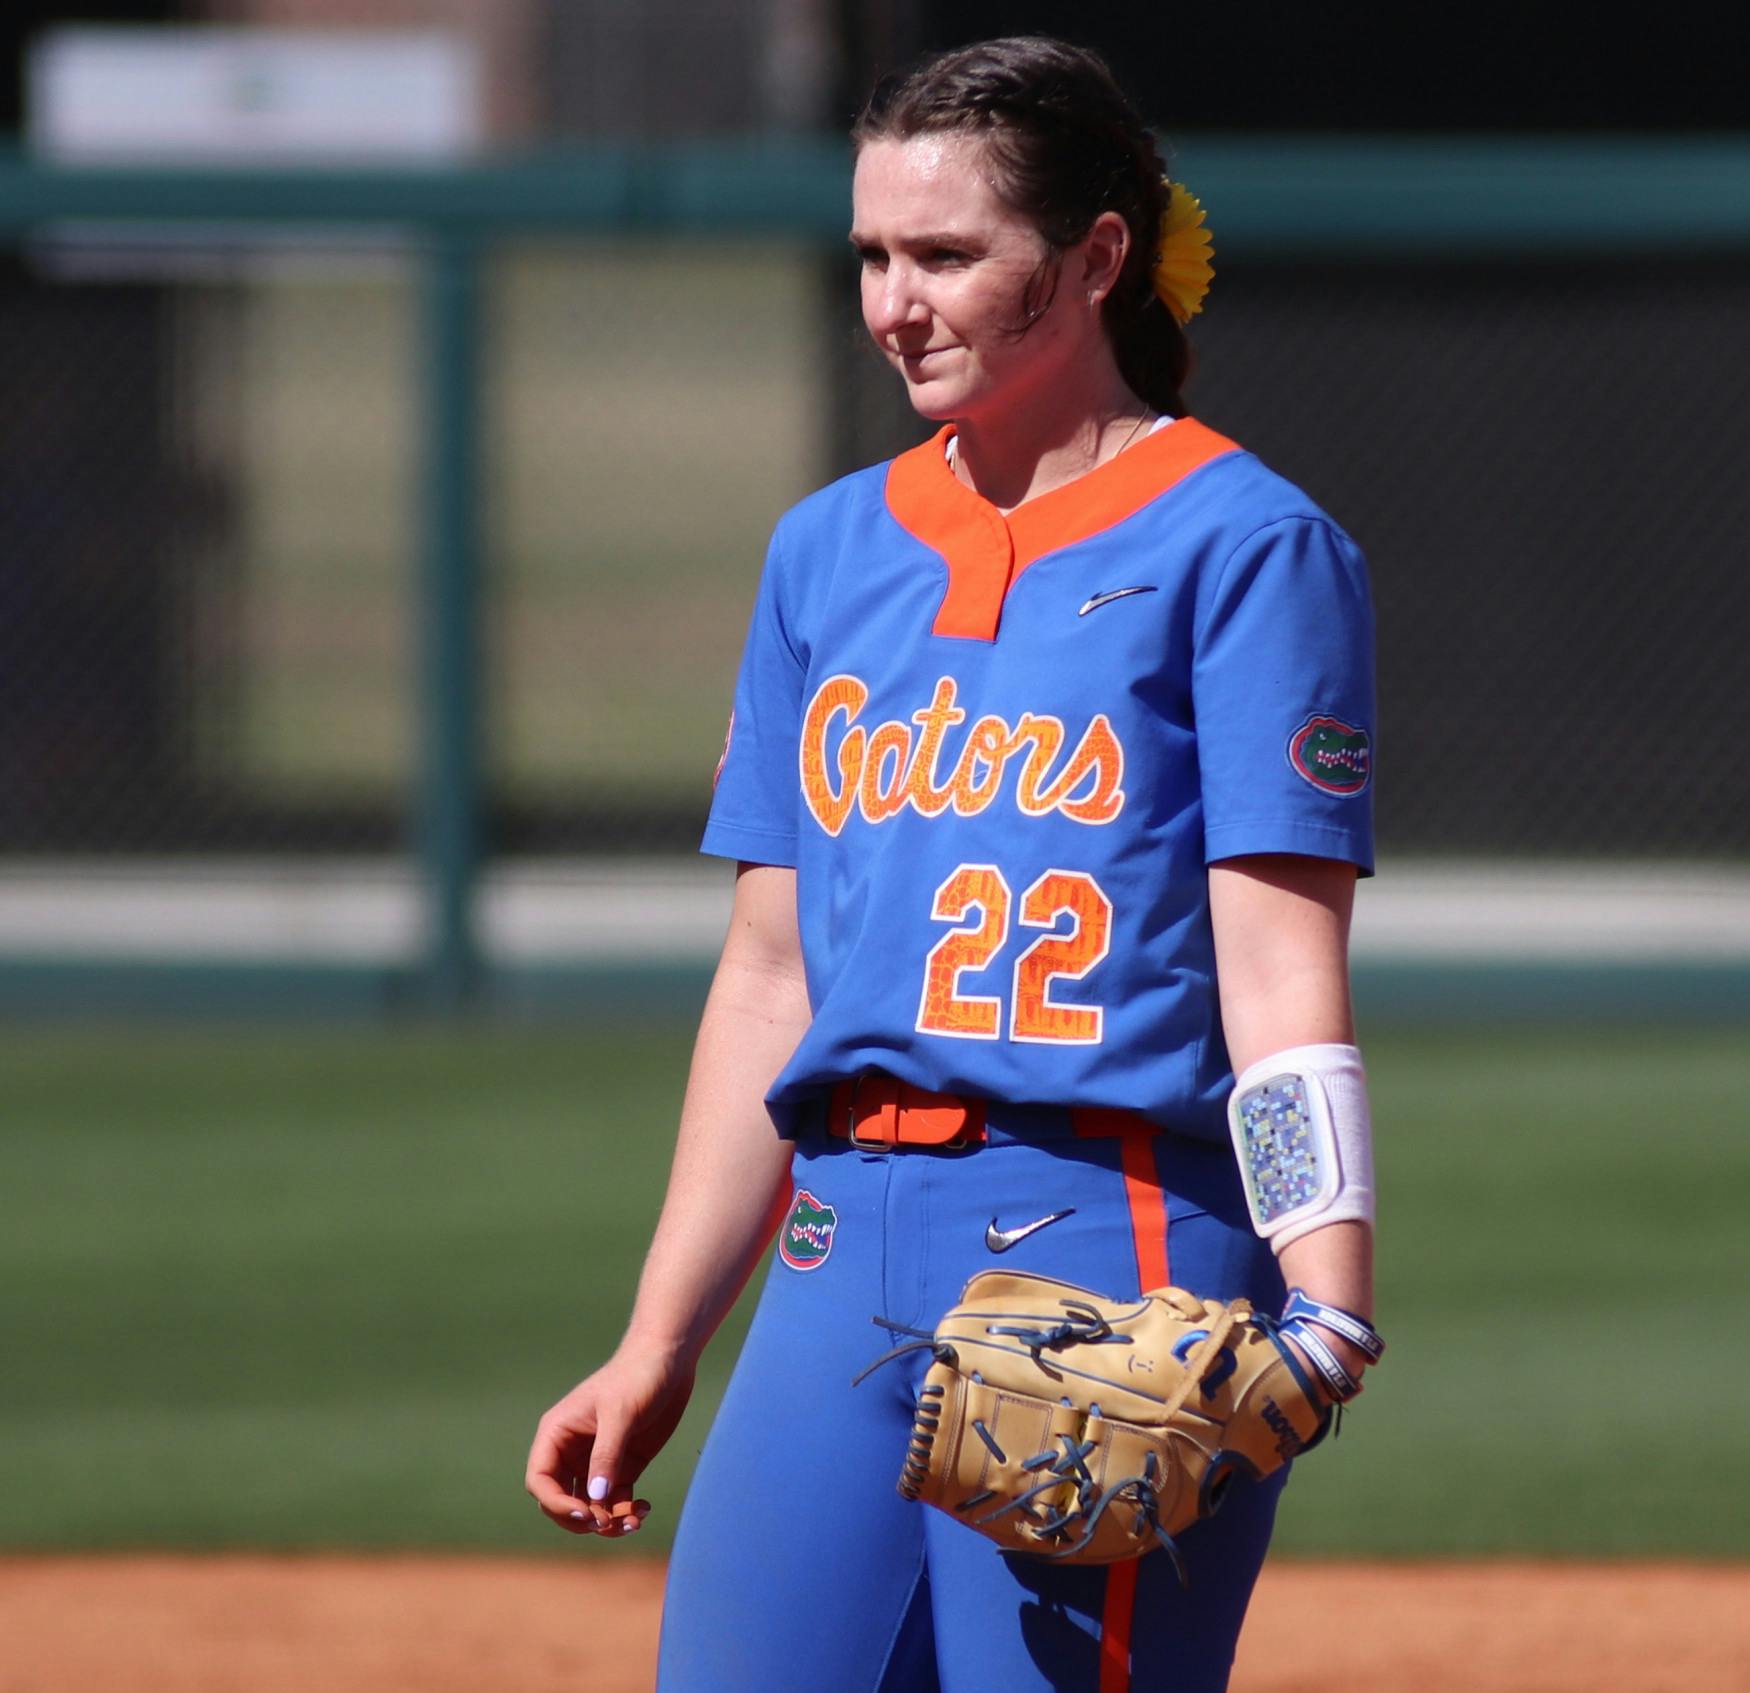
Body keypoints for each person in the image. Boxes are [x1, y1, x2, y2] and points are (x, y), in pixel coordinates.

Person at [526, 35, 1380, 1693]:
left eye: (945, 255)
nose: (894, 303)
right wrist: (659, 1337)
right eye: (871, 256)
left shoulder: (1247, 546)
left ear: (1096, 259)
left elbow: (1283, 967)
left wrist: (1328, 1304)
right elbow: (771, 970)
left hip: (1109, 1242)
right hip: (837, 1243)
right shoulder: (827, 550)